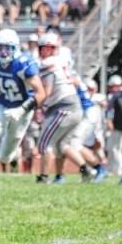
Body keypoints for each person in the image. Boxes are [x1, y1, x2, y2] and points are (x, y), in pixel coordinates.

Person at [34, 33, 91, 183]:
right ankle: (87, 171)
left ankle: (44, 177)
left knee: (44, 143)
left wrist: (36, 106)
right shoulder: (61, 60)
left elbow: (47, 92)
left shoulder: (47, 64)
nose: (44, 51)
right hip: (73, 106)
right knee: (62, 145)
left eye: (47, 48)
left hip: (64, 107)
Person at [0, 29, 45, 171]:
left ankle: (11, 161)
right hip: (3, 103)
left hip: (23, 108)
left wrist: (22, 109)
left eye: (7, 48)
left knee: (6, 153)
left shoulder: (23, 64)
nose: (3, 52)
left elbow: (41, 93)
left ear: (15, 48)